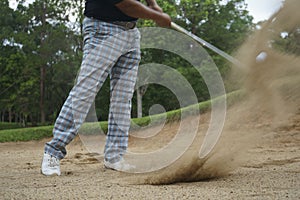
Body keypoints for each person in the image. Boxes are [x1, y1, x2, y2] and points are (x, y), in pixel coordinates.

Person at [41, 0, 171, 176]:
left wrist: (152, 4)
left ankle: (115, 156)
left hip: (131, 33)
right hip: (102, 29)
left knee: (123, 98)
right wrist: (157, 16)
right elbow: (125, 4)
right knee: (85, 91)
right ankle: (53, 152)